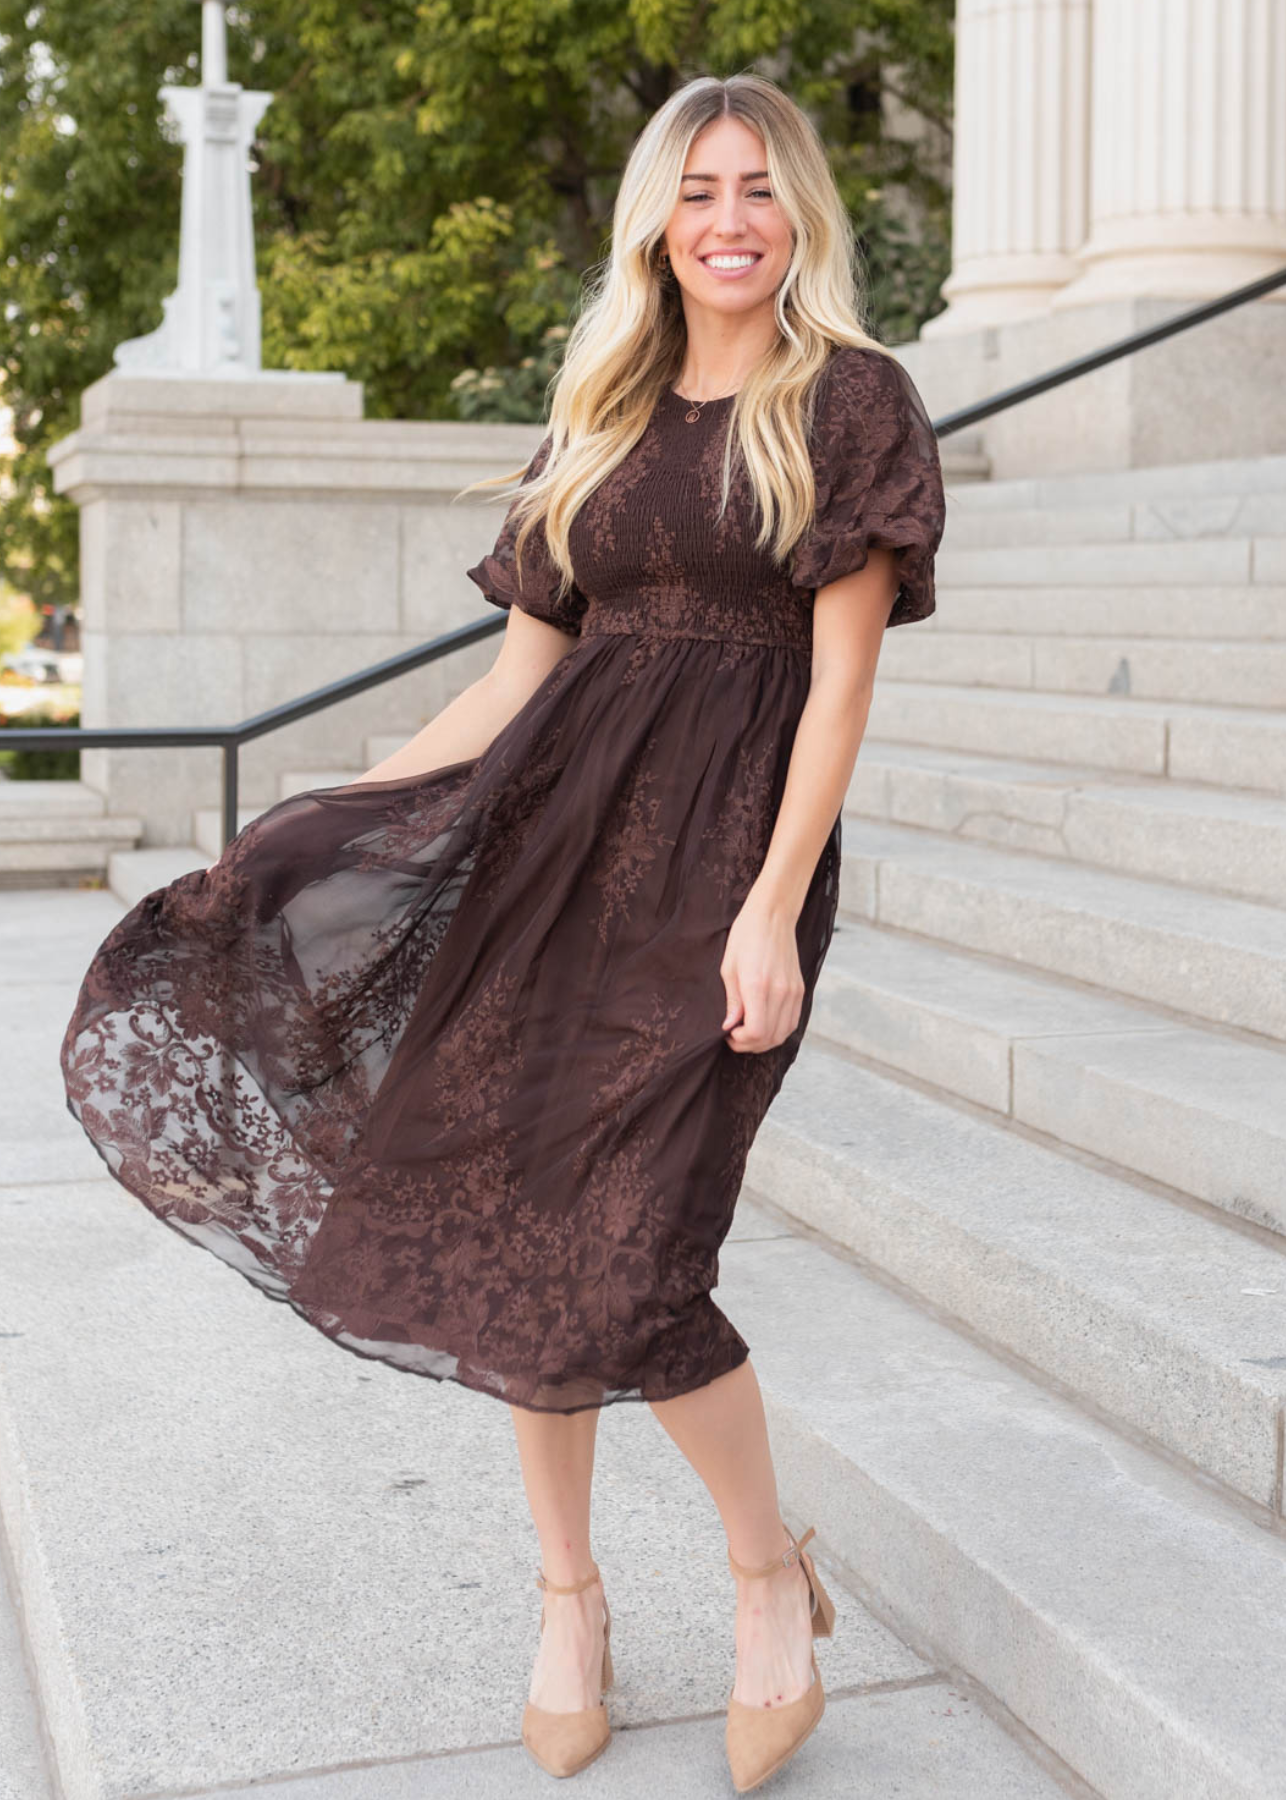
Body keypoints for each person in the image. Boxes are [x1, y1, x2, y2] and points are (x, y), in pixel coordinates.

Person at [60, 69, 945, 1792]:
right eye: (697, 191)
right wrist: (329, 812)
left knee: (637, 1257)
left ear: (800, 212)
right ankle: (568, 1600)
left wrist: (770, 909)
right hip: (543, 858)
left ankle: (770, 1579)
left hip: (715, 877)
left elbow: (838, 689)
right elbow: (515, 679)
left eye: (759, 187)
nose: (730, 219)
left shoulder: (848, 404)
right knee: (514, 1232)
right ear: (656, 221)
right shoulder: (602, 405)